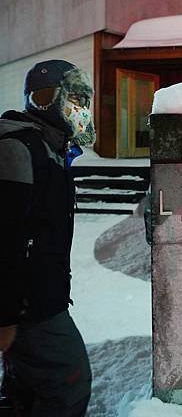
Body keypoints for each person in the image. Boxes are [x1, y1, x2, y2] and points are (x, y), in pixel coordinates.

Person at [0, 59, 95, 416]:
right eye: (75, 100)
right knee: (69, 381)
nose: (81, 110)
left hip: (40, 297)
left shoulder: (50, 149)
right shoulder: (18, 149)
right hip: (28, 308)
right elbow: (6, 238)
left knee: (25, 387)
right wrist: (6, 315)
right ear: (46, 100)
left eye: (84, 101)